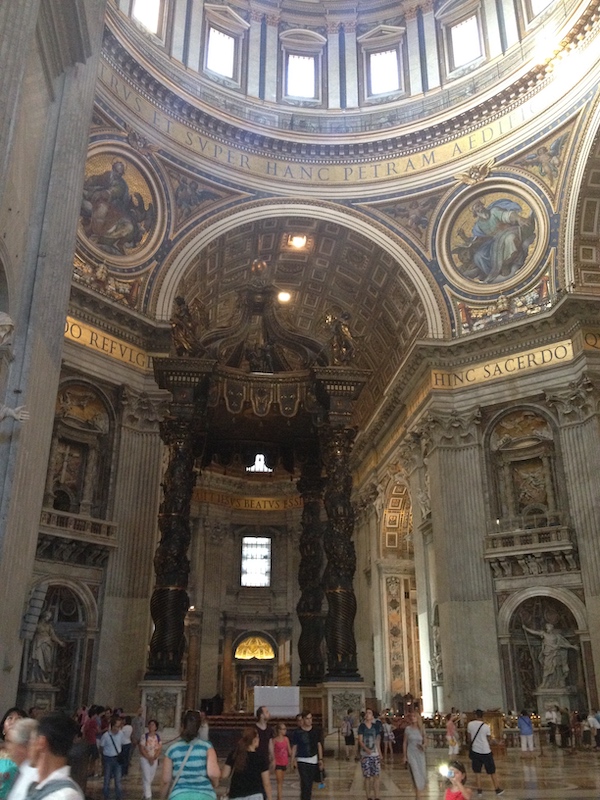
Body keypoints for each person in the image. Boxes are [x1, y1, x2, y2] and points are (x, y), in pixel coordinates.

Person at [160, 710, 219, 800]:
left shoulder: (172, 749)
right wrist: (215, 784)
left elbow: (165, 781)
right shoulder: (207, 747)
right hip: (205, 794)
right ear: (199, 727)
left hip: (179, 795)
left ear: (182, 726)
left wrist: (162, 797)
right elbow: (213, 774)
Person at [26, 712, 83, 800]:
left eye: (31, 740)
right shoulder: (34, 781)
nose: (28, 747)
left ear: (41, 743)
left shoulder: (64, 796)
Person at [522, 623, 578, 688]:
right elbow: (535, 632)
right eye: (546, 627)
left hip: (555, 653)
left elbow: (563, 644)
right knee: (546, 668)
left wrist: (572, 647)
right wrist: (526, 628)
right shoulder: (544, 634)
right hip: (548, 654)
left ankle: (559, 682)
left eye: (548, 627)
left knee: (557, 668)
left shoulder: (557, 636)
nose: (547, 628)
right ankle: (544, 683)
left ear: (552, 628)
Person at [222, 727, 271, 800]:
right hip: (256, 793)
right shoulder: (260, 757)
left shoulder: (235, 754)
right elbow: (266, 783)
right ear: (255, 740)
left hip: (236, 794)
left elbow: (224, 775)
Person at [466, 710, 504, 796]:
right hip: (486, 750)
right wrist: (497, 742)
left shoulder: (470, 724)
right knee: (492, 771)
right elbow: (489, 739)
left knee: (477, 771)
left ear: (475, 715)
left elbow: (469, 738)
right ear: (482, 716)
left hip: (475, 750)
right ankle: (497, 789)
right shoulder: (486, 726)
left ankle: (479, 790)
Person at [290, 711, 323, 800]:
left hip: (313, 759)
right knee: (305, 782)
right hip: (302, 760)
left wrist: (320, 759)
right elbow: (295, 747)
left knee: (310, 783)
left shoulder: (316, 731)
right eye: (307, 718)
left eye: (310, 718)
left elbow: (318, 745)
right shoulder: (297, 732)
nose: (309, 721)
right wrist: (292, 760)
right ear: (303, 719)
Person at [6, 718, 38, 800]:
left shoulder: (36, 778)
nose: (8, 747)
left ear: (22, 747)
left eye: (10, 742)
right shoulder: (19, 772)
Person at [30, 612, 66, 683]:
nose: (48, 618)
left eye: (49, 617)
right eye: (47, 616)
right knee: (37, 660)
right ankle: (36, 678)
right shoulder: (36, 625)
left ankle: (44, 678)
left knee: (47, 661)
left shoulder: (49, 626)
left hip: (47, 644)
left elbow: (53, 635)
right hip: (38, 644)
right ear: (44, 616)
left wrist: (60, 642)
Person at [402, 712, 426, 799]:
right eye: (411, 716)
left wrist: (423, 746)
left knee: (421, 773)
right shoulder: (408, 729)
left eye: (414, 716)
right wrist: (405, 756)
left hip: (420, 753)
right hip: (411, 752)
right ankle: (418, 796)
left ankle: (418, 793)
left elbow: (425, 741)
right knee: (415, 772)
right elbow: (405, 743)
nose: (413, 718)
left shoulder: (421, 729)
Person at [357, 709, 381, 800]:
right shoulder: (362, 727)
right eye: (366, 713)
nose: (367, 714)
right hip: (365, 755)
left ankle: (377, 796)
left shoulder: (376, 727)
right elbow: (360, 740)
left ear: (372, 716)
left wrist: (380, 753)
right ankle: (369, 797)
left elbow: (377, 740)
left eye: (369, 713)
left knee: (376, 776)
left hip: (375, 754)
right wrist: (366, 749)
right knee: (367, 776)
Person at [99, 716, 123, 800]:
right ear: (112, 726)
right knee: (107, 779)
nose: (117, 728)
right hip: (108, 759)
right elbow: (101, 747)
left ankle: (119, 797)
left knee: (118, 780)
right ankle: (106, 796)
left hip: (117, 758)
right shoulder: (106, 736)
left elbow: (121, 744)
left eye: (119, 726)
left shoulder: (121, 734)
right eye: (116, 726)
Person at [139, 720, 162, 800]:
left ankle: (145, 793)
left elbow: (159, 749)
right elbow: (141, 748)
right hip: (145, 758)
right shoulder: (144, 736)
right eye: (150, 725)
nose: (151, 726)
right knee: (146, 776)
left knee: (151, 777)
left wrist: (154, 757)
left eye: (153, 725)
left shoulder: (157, 737)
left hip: (154, 758)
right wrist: (148, 757)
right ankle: (149, 796)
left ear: (156, 727)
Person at [273, 724, 292, 800]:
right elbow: (272, 752)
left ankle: (279, 796)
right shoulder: (274, 740)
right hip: (277, 762)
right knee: (279, 781)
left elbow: (289, 750)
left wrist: (293, 759)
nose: (285, 731)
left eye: (285, 729)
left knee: (281, 780)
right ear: (279, 730)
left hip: (284, 762)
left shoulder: (286, 739)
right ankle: (279, 797)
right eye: (283, 729)